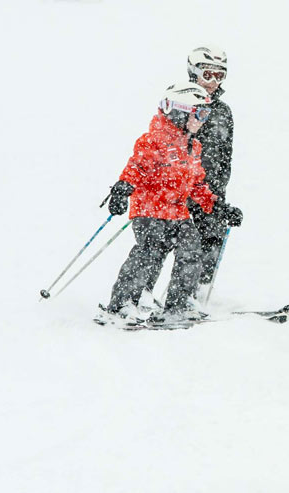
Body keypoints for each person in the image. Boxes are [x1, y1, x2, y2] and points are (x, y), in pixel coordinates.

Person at [97, 82, 220, 327]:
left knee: (192, 248)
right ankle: (122, 304)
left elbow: (196, 184)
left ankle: (179, 304)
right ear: (180, 112)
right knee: (149, 252)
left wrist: (216, 206)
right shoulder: (153, 141)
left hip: (178, 212)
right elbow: (136, 167)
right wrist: (123, 188)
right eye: (199, 114)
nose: (203, 120)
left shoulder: (192, 146)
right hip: (150, 210)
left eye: (206, 114)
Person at [184, 46, 242, 301]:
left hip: (213, 190)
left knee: (211, 238)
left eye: (220, 76)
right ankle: (149, 294)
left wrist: (219, 189)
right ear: (194, 73)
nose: (214, 81)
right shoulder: (181, 102)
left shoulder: (223, 112)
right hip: (182, 187)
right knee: (174, 242)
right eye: (208, 74)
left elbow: (225, 154)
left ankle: (197, 294)